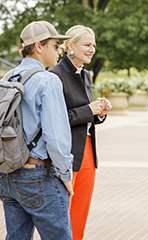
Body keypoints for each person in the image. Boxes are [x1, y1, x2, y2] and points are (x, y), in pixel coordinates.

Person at [0, 21, 73, 239]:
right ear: (39, 46)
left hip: (9, 175)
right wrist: (66, 175)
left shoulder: (7, 78)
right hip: (39, 175)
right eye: (55, 45)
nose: (59, 52)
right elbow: (56, 136)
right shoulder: (48, 80)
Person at [49, 25, 111, 240]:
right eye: (87, 44)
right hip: (66, 153)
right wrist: (88, 110)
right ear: (70, 45)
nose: (92, 49)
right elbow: (54, 119)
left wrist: (99, 113)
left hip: (87, 153)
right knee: (61, 215)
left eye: (93, 44)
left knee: (80, 214)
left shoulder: (86, 75)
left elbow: (85, 116)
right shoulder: (54, 75)